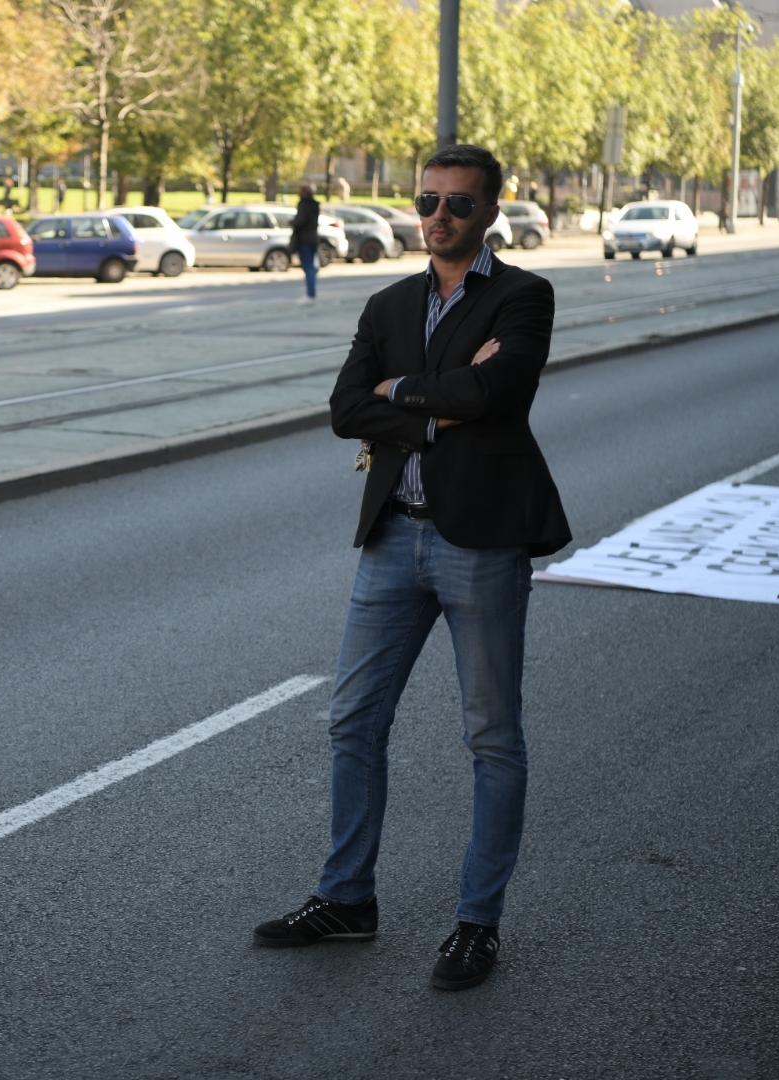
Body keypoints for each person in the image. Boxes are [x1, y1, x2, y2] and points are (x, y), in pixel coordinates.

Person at [252, 144, 570, 992]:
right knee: (352, 720)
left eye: (459, 205)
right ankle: (347, 898)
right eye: (428, 201)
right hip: (395, 535)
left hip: (481, 543)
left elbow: (495, 396)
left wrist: (400, 396)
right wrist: (428, 405)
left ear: (490, 213)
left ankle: (477, 923)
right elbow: (343, 409)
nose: (439, 217)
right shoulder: (389, 301)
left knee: (491, 738)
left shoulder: (524, 295)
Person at [290, 185, 321, 303]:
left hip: (305, 239)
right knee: (310, 266)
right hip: (313, 238)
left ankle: (310, 294)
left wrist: (292, 222)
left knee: (308, 267)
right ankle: (311, 293)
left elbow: (300, 221)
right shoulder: (315, 205)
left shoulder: (304, 205)